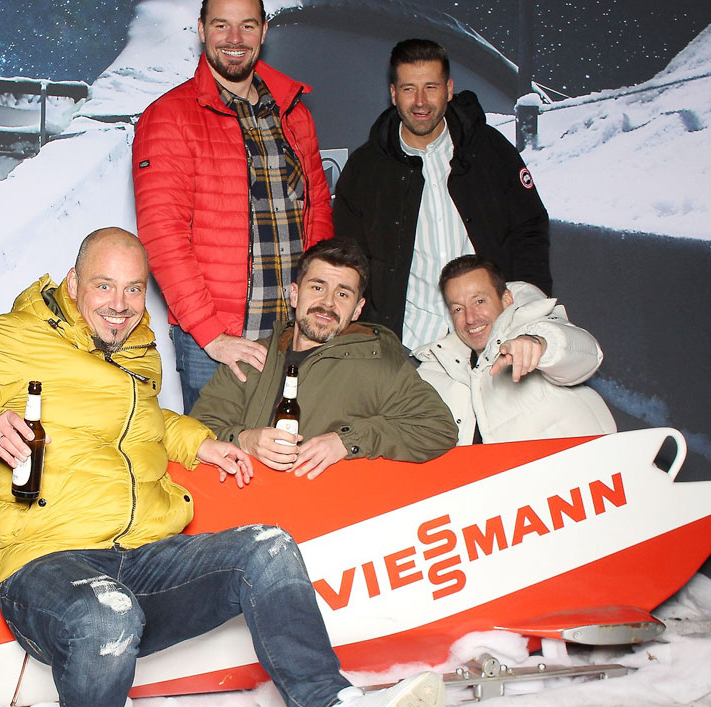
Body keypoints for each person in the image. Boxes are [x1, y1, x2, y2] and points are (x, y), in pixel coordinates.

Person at [0, 227, 445, 707]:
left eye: (134, 289)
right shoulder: (10, 339)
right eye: (104, 286)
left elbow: (142, 421)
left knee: (266, 549)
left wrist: (201, 441)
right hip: (46, 564)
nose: (120, 304)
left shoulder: (136, 350)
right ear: (73, 284)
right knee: (105, 613)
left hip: (142, 554)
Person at [133, 0, 334, 412]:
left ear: (264, 31)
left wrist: (319, 305)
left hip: (293, 333)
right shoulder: (169, 116)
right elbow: (163, 237)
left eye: (247, 26)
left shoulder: (294, 113)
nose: (235, 39)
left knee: (293, 444)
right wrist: (211, 334)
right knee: (217, 449)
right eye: (221, 25)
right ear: (202, 30)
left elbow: (318, 217)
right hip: (219, 343)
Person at [333, 38, 551, 352]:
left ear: (449, 89)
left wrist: (528, 316)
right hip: (409, 346)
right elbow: (351, 262)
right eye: (409, 89)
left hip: (493, 339)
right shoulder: (365, 169)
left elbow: (529, 232)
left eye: (431, 87)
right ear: (393, 94)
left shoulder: (489, 150)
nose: (420, 102)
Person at [191, 237, 457, 475]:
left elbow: (437, 428)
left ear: (357, 309)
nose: (328, 303)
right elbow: (194, 432)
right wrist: (244, 439)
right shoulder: (251, 358)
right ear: (295, 294)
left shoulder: (379, 365)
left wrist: (346, 441)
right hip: (243, 505)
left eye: (342, 294)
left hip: (327, 508)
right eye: (317, 288)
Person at [414, 255, 615, 443]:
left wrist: (540, 345)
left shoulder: (534, 325)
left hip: (580, 465)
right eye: (458, 309)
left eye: (479, 301)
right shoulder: (437, 367)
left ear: (506, 299)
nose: (470, 318)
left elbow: (586, 354)